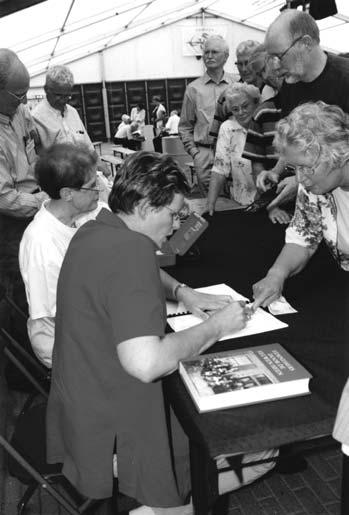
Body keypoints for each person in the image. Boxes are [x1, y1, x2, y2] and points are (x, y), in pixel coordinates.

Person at [46, 151, 277, 514]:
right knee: (263, 452)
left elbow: (141, 274)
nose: (175, 226)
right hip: (118, 431)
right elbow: (147, 363)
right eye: (172, 214)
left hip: (83, 418)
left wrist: (184, 292)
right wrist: (217, 325)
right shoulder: (131, 252)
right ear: (141, 206)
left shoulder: (94, 230)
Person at [252, 101, 349, 310]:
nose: (299, 178)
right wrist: (276, 274)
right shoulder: (314, 186)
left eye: (305, 168)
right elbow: (304, 237)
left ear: (338, 156)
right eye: (294, 168)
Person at [19, 143, 106, 369]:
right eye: (92, 185)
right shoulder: (41, 243)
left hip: (88, 322)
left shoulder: (87, 212)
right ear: (67, 194)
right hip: (64, 343)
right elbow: (60, 314)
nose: (100, 189)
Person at [256, 9, 349, 212]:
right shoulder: (291, 86)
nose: (276, 66)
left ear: (305, 43)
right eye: (271, 58)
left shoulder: (345, 79)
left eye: (279, 56)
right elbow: (293, 140)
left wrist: (299, 181)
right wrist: (276, 171)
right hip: (317, 204)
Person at [0, 48, 48, 312]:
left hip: (35, 206)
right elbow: (4, 197)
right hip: (9, 224)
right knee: (20, 285)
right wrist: (43, 201)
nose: (24, 101)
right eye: (18, 95)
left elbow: (37, 148)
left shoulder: (21, 112)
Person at [241, 45, 291, 224]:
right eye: (260, 74)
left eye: (263, 69)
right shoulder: (263, 112)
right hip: (280, 204)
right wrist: (271, 205)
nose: (265, 77)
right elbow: (258, 168)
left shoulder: (310, 105)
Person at [31, 64, 110, 177]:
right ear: (46, 90)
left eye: (67, 96)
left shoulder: (73, 112)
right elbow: (36, 160)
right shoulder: (35, 118)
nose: (63, 100)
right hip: (58, 180)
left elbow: (87, 144)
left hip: (82, 176)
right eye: (58, 95)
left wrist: (98, 161)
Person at [179, 35, 234, 194]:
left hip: (234, 150)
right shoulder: (193, 89)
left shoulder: (237, 84)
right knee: (211, 201)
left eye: (214, 52)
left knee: (236, 196)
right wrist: (195, 153)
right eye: (206, 52)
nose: (209, 56)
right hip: (206, 153)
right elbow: (184, 126)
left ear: (226, 56)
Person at [207, 82, 260, 214]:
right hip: (240, 202)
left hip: (271, 203)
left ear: (255, 103)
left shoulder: (265, 124)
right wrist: (210, 203)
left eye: (245, 106)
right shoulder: (228, 128)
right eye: (235, 109)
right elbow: (220, 168)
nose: (241, 112)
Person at [209, 39, 267, 144]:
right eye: (239, 64)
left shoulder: (272, 91)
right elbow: (216, 138)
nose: (244, 69)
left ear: (260, 62)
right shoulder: (227, 96)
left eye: (248, 63)